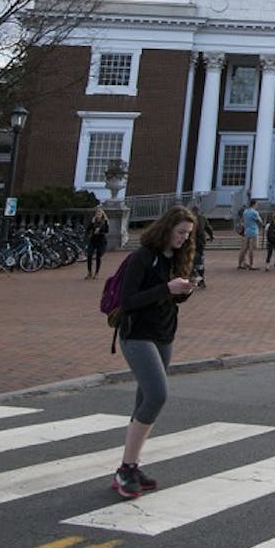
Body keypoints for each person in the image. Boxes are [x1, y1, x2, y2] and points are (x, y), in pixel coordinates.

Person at [111, 205, 197, 498]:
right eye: (181, 233)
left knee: (144, 401)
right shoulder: (142, 257)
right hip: (137, 334)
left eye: (188, 234)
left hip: (164, 335)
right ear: (167, 228)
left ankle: (131, 464)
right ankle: (125, 468)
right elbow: (128, 299)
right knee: (157, 395)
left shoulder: (177, 258)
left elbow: (170, 299)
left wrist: (183, 292)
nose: (184, 239)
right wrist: (166, 289)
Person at [191, 205, 214, 288]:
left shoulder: (190, 219)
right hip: (200, 243)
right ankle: (200, 280)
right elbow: (208, 228)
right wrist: (211, 236)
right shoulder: (202, 218)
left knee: (193, 261)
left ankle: (198, 279)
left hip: (192, 243)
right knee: (199, 261)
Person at [84, 208, 110, 279]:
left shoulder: (105, 222)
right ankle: (89, 272)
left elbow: (107, 231)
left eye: (99, 213)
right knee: (89, 255)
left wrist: (100, 231)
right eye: (97, 213)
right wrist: (92, 223)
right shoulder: (93, 221)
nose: (98, 215)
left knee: (98, 256)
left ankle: (96, 273)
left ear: (102, 215)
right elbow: (88, 230)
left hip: (101, 241)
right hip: (93, 240)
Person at [237, 199, 262, 270]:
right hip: (253, 231)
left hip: (246, 231)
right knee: (252, 248)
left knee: (244, 248)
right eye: (257, 204)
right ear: (254, 204)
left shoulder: (245, 211)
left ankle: (240, 263)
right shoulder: (255, 212)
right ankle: (251, 264)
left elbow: (243, 220)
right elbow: (259, 221)